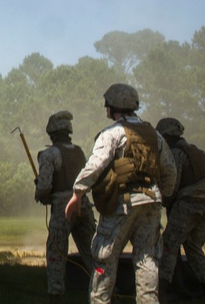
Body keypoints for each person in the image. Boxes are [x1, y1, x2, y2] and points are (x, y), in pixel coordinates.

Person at [65, 83, 176, 304]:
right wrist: (163, 193)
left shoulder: (112, 133)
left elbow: (95, 164)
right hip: (151, 204)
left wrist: (78, 192)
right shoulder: (154, 135)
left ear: (113, 106)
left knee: (103, 258)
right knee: (147, 261)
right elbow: (170, 169)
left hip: (122, 204)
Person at [155, 117, 205, 304]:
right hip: (203, 206)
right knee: (194, 250)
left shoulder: (176, 153)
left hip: (186, 206)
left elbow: (172, 186)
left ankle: (161, 294)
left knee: (168, 246)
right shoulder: (196, 152)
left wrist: (160, 200)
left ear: (166, 135)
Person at [34, 110, 96, 303]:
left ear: (52, 133)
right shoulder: (79, 152)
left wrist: (41, 195)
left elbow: (44, 186)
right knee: (92, 251)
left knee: (56, 251)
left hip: (62, 207)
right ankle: (106, 290)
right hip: (83, 204)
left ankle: (55, 294)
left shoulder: (49, 154)